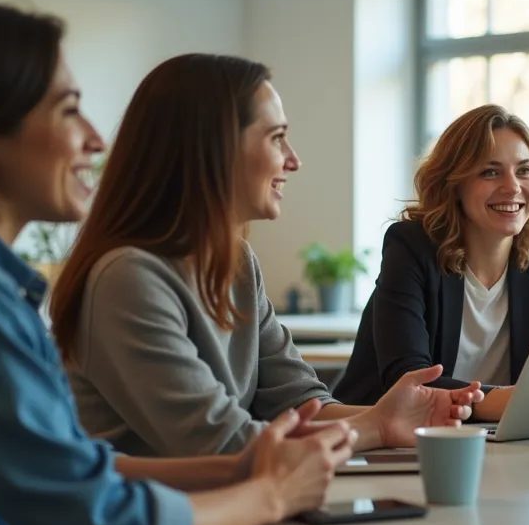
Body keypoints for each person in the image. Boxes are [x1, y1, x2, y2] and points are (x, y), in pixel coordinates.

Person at [0, 0, 356, 525]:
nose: (96, 138)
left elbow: (81, 468)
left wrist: (246, 467)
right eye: (69, 109)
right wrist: (271, 493)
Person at [48, 54, 481, 461]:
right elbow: (219, 442)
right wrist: (375, 428)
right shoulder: (127, 277)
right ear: (215, 149)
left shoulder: (237, 263)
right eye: (277, 138)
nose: (293, 160)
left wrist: (389, 418)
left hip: (230, 506)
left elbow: (299, 401)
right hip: (163, 515)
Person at [331, 104, 529, 422]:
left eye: (524, 170)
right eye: (490, 172)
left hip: (497, 436)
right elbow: (410, 381)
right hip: (387, 436)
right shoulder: (412, 248)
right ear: (455, 184)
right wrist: (516, 400)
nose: (513, 187)